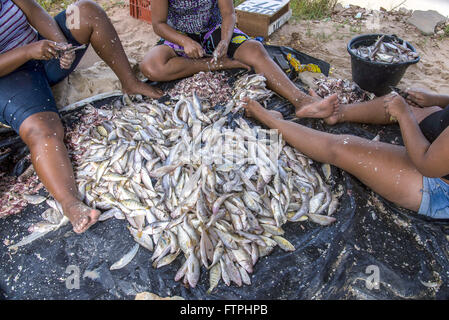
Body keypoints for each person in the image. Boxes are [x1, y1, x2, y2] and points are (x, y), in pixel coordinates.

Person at [0, 0, 164, 234]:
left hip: (42, 52)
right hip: (9, 78)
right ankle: (70, 203)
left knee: (88, 11)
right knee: (43, 130)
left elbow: (34, 11)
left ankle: (129, 82)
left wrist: (60, 43)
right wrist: (27, 52)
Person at [242, 88, 449, 220]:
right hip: (441, 136)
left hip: (436, 181)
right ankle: (338, 114)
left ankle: (271, 120)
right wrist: (438, 99)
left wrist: (404, 115)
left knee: (341, 147)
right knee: (394, 100)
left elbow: (427, 164)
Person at [139, 0, 339, 119]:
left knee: (255, 50)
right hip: (178, 34)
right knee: (151, 66)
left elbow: (228, 14)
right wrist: (184, 42)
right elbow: (158, 24)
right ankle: (215, 64)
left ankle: (301, 100)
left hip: (214, 30)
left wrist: (225, 42)